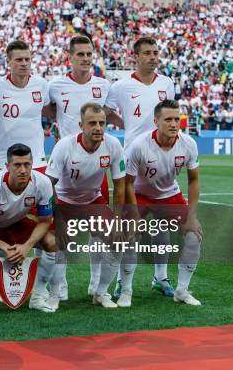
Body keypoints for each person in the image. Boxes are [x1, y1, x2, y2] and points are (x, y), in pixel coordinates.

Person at [48, 35, 123, 298]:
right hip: (67, 160)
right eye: (80, 54)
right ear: (70, 57)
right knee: (56, 233)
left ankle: (95, 284)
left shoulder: (104, 85)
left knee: (100, 228)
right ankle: (60, 285)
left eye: (89, 54)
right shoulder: (55, 85)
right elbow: (47, 110)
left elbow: (110, 115)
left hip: (95, 165)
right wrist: (59, 127)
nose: (86, 58)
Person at [103, 37, 177, 298]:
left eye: (156, 52)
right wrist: (126, 126)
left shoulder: (167, 83)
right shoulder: (121, 86)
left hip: (162, 162)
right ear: (135, 56)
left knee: (162, 226)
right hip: (132, 164)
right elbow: (105, 112)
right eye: (147, 53)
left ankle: (161, 277)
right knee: (128, 227)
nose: (153, 57)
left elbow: (170, 115)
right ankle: (124, 283)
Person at [121, 99, 203, 307]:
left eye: (177, 119)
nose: (174, 124)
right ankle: (125, 289)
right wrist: (133, 215)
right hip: (140, 194)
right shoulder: (139, 145)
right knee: (130, 234)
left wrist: (192, 217)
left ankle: (181, 291)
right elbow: (128, 183)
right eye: (168, 119)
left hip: (169, 195)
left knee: (194, 237)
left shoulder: (188, 144)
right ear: (156, 121)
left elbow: (194, 181)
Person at [0, 143, 59, 314]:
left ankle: (37, 298)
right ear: (7, 166)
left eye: (27, 164)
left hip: (16, 223)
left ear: (32, 164)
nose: (23, 170)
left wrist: (27, 246)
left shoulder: (42, 183)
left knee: (52, 242)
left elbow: (45, 221)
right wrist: (4, 247)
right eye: (17, 165)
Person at [46, 103, 126, 307]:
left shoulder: (114, 145)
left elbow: (119, 187)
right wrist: (60, 220)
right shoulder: (64, 146)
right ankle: (56, 292)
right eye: (92, 123)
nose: (98, 127)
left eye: (102, 123)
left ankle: (100, 292)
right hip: (64, 200)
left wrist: (117, 221)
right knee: (53, 241)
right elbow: (48, 187)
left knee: (119, 240)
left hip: (92, 200)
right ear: (81, 125)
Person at [0, 41, 49, 174]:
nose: (24, 63)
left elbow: (50, 110)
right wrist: (3, 130)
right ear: (8, 61)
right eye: (19, 59)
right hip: (4, 162)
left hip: (37, 161)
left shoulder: (42, 85)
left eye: (27, 59)